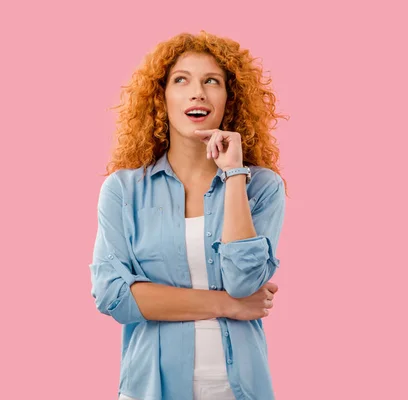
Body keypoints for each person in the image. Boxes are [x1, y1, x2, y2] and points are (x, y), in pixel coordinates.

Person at [89, 31, 288, 400]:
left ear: (229, 100)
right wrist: (226, 305)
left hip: (241, 389)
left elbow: (245, 281)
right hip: (150, 389)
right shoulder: (124, 191)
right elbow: (114, 296)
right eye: (181, 80)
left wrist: (233, 175)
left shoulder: (261, 186)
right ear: (161, 97)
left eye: (211, 81)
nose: (197, 92)